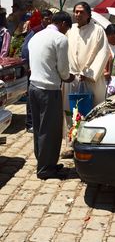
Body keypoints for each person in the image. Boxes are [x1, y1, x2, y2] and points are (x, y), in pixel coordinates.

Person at [28, 11, 74, 180]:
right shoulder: (60, 39)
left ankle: (44, 162)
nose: (66, 32)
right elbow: (63, 70)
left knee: (40, 128)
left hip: (34, 87)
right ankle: (46, 169)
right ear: (62, 24)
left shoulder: (36, 36)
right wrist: (71, 77)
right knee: (51, 130)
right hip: (49, 89)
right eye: (66, 28)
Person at [66, 1, 110, 107]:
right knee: (71, 111)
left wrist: (87, 74)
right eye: (76, 12)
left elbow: (103, 52)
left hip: (90, 79)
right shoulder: (70, 30)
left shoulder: (97, 30)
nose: (78, 15)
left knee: (93, 108)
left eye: (81, 12)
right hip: (72, 78)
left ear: (89, 14)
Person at [21, 9, 53, 133]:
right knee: (31, 96)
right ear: (42, 19)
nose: (49, 21)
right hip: (32, 69)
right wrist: (28, 65)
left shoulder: (50, 32)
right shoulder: (35, 31)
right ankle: (30, 123)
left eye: (51, 19)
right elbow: (25, 50)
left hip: (44, 69)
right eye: (46, 19)